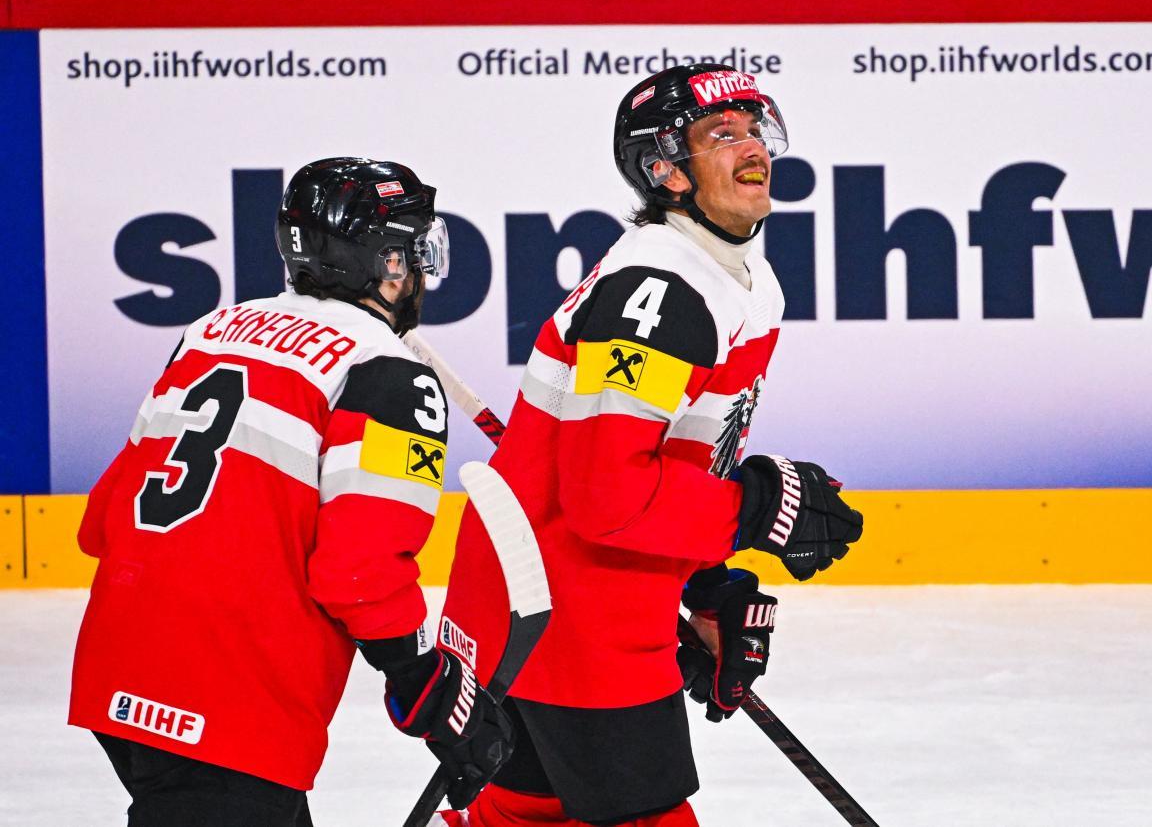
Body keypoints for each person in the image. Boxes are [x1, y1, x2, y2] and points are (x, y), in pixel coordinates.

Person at [436, 65, 864, 827]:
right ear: (665, 170)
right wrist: (750, 512)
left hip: (556, 594)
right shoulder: (660, 291)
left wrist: (703, 583)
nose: (751, 146)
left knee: (527, 812)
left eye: (752, 128)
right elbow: (607, 494)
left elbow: (660, 470)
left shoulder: (732, 277)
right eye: (720, 135)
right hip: (562, 613)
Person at [68, 157, 512, 826]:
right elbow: (358, 574)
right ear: (389, 263)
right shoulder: (388, 375)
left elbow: (101, 523)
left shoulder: (209, 333)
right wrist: (421, 674)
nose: (420, 271)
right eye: (416, 249)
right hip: (228, 698)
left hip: (117, 670)